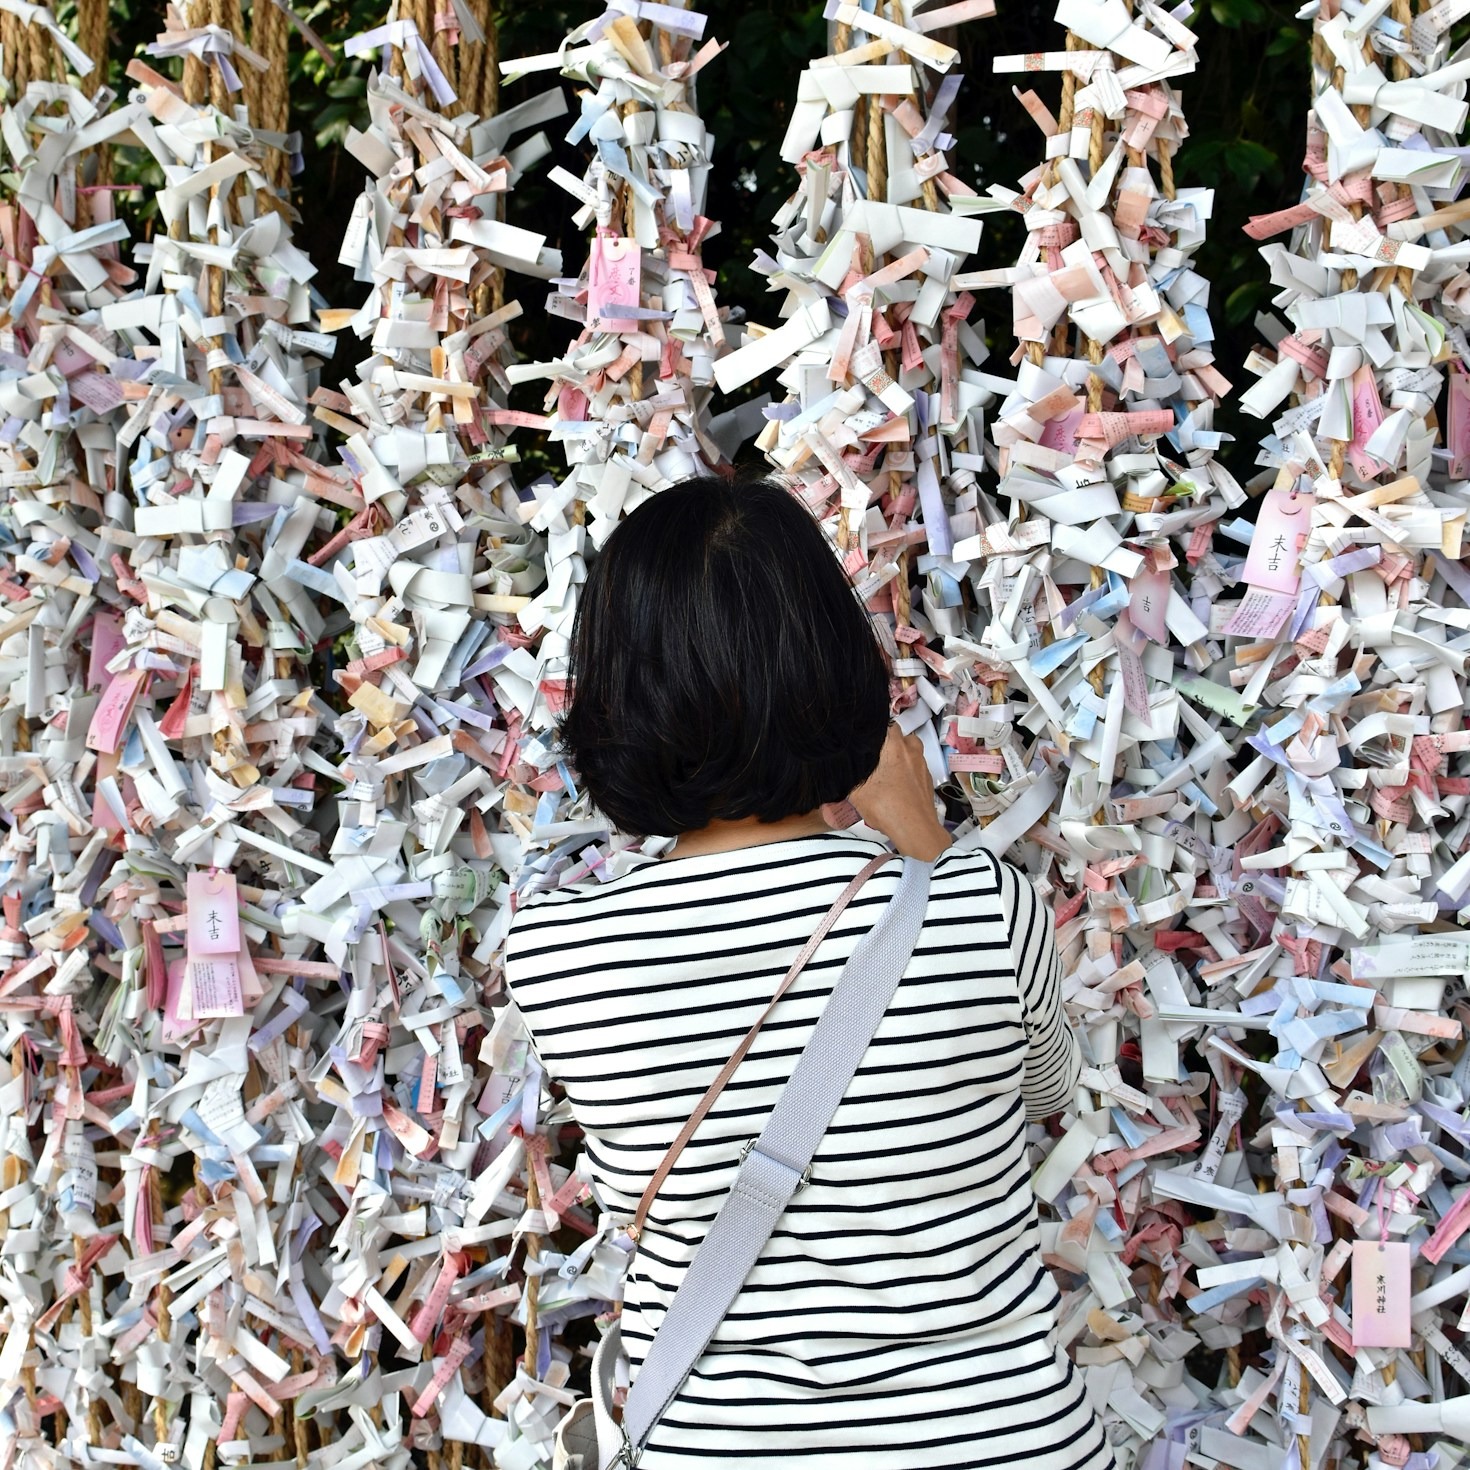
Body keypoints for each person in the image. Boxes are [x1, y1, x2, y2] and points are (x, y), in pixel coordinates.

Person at [503, 476, 1114, 1470]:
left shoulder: (556, 953)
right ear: (831, 667)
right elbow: (1047, 1092)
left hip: (730, 1447)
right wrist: (931, 850)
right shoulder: (976, 904)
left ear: (619, 692)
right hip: (998, 1438)